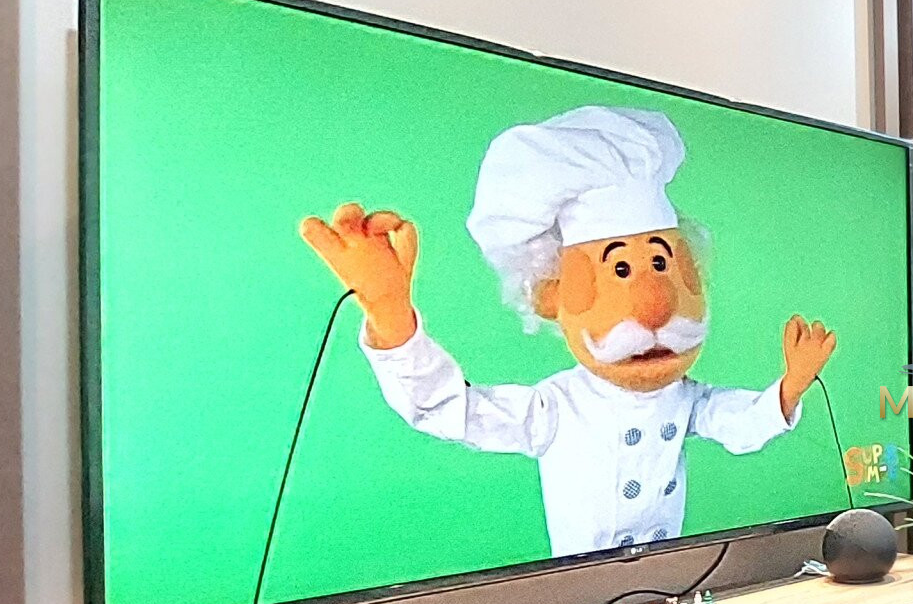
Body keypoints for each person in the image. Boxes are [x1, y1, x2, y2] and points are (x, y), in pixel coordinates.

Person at [299, 106, 835, 557]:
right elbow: (450, 410)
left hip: (671, 577)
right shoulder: (558, 407)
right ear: (550, 294)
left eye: (661, 263)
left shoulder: (684, 398)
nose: (654, 307)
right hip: (581, 593)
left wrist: (790, 387)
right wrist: (391, 315)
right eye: (619, 269)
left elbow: (734, 421)